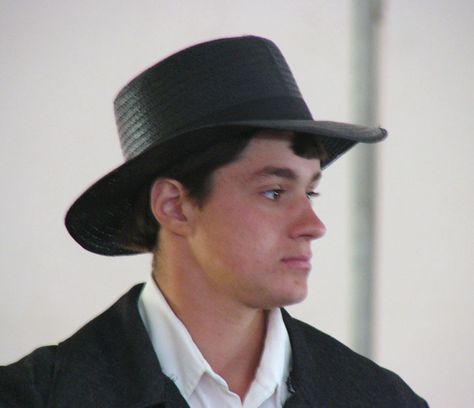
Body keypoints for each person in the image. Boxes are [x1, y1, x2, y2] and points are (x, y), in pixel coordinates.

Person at [0, 36, 428, 407]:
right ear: (175, 206)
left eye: (310, 191)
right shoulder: (33, 397)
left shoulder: (382, 399)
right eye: (274, 192)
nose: (313, 225)